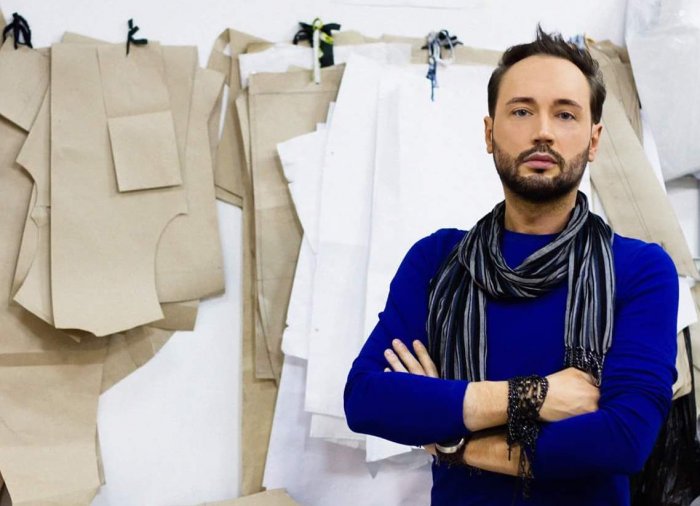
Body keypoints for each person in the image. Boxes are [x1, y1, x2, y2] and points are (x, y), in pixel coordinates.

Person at [343, 26, 679, 506]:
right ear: (489, 132)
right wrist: (532, 395)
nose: (543, 131)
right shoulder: (437, 261)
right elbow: (367, 400)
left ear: (594, 139)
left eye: (565, 114)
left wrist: (456, 440)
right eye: (521, 111)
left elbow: (624, 438)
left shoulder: (640, 270)